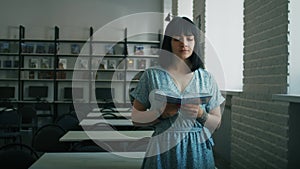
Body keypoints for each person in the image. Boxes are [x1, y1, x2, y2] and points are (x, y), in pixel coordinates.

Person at [130, 16, 225, 169]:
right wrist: (160, 113)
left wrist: (201, 114)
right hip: (163, 146)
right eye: (177, 39)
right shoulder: (152, 75)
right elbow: (135, 118)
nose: (184, 44)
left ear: (195, 42)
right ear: (169, 42)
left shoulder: (206, 78)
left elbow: (217, 123)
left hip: (197, 148)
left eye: (189, 38)